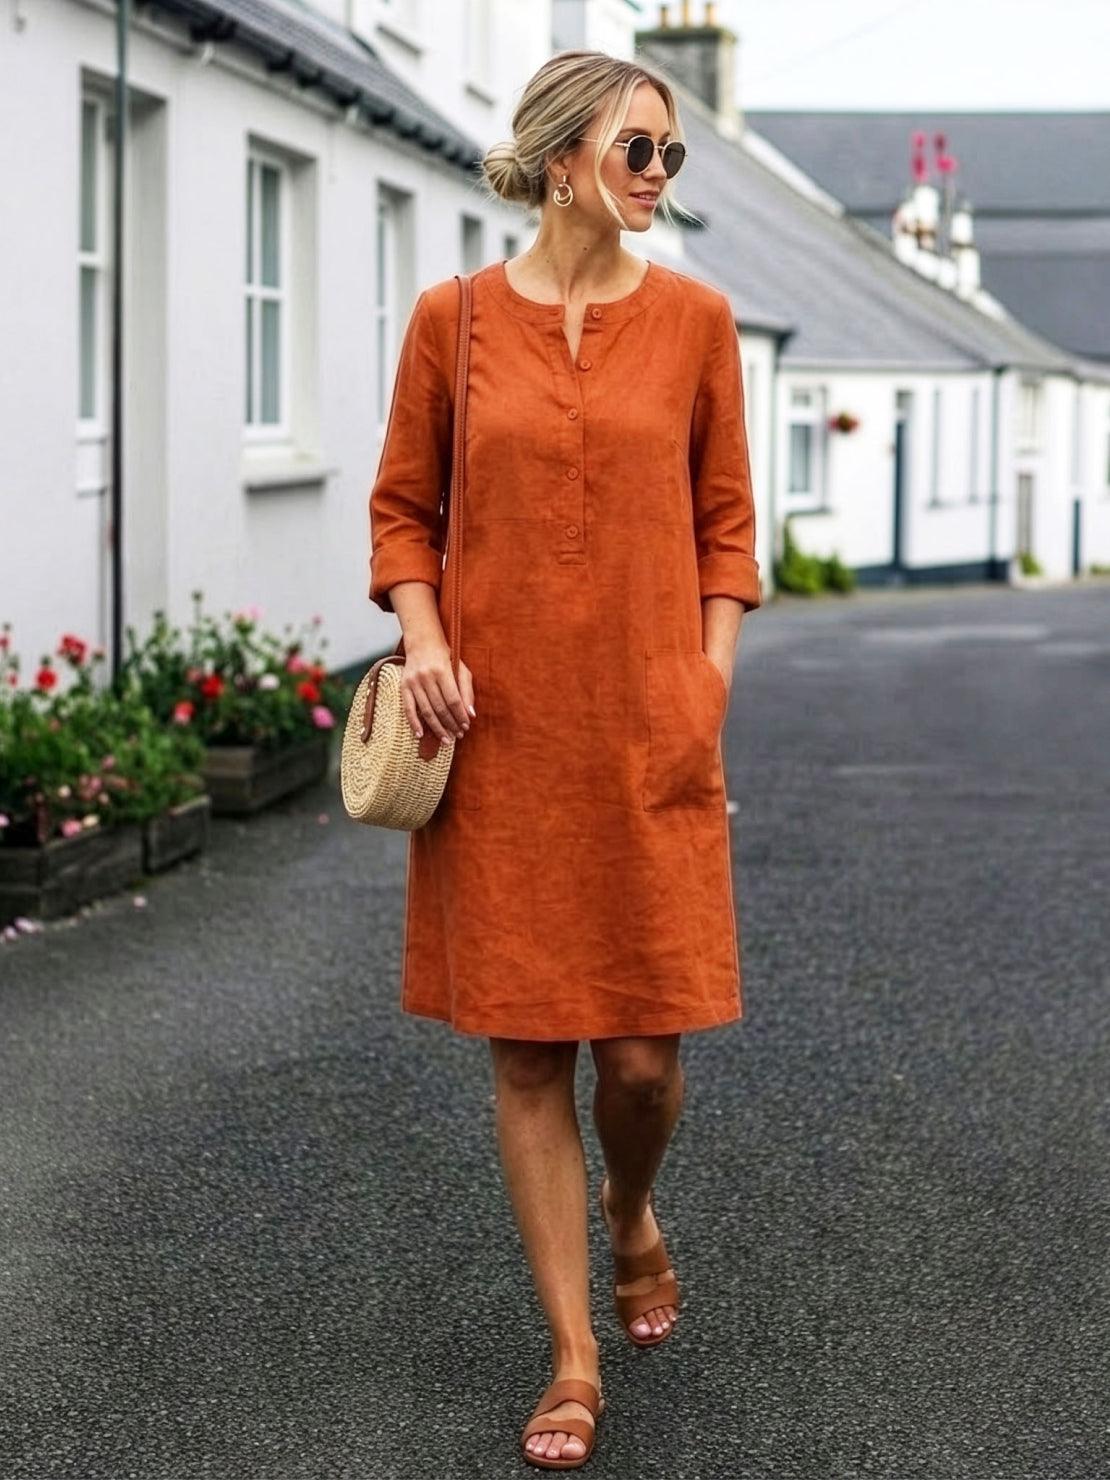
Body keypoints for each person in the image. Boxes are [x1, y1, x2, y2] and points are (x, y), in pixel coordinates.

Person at [367, 48, 762, 1472]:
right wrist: (419, 635)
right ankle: (571, 1353)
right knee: (529, 1048)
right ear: (556, 163)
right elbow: (404, 512)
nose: (658, 175)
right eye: (637, 149)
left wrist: (703, 685)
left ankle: (632, 1211)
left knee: (643, 1058)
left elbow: (727, 531)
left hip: (649, 728)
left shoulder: (702, 322)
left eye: (669, 153)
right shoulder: (451, 324)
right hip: (501, 734)